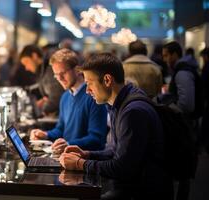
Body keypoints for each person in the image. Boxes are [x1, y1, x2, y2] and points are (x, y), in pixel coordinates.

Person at [59, 53, 173, 199]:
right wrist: (87, 154)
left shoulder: (132, 112)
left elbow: (122, 168)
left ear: (107, 80)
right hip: (131, 186)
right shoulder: (120, 102)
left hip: (142, 192)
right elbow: (116, 150)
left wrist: (81, 164)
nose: (87, 91)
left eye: (89, 83)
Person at [30, 48, 107, 154]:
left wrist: (69, 144)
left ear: (77, 70)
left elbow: (97, 139)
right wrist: (45, 134)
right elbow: (61, 129)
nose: (60, 78)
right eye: (56, 75)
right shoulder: (65, 97)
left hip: (85, 161)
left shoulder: (94, 97)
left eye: (63, 73)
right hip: (67, 156)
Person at [19, 44, 64, 116]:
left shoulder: (49, 71)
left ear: (34, 56)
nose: (26, 68)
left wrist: (38, 110)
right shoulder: (43, 71)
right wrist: (44, 100)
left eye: (26, 62)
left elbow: (56, 98)